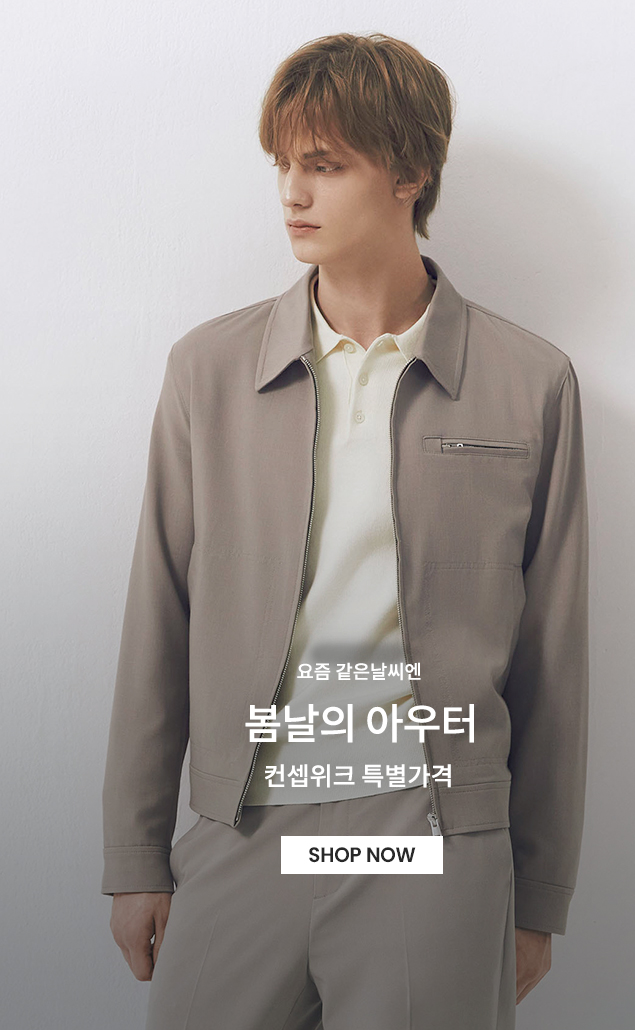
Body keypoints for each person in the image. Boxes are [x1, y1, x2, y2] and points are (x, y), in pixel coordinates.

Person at [102, 31, 589, 1030]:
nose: (293, 192)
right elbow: (160, 616)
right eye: (284, 164)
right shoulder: (208, 371)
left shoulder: (530, 383)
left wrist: (538, 894)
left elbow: (554, 657)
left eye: (324, 165)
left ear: (410, 173)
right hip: (245, 824)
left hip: (430, 835)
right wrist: (136, 853)